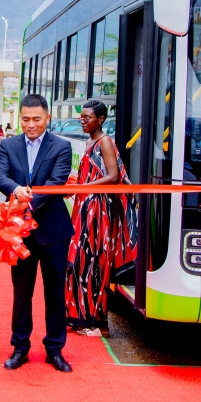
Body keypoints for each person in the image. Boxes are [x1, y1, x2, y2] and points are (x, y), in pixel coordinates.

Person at [0, 93, 74, 373]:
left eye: (36, 119)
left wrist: (30, 200)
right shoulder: (8, 145)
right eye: (25, 119)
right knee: (22, 292)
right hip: (19, 233)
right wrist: (16, 190)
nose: (30, 124)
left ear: (47, 118)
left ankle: (55, 349)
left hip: (53, 232)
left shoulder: (61, 146)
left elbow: (58, 180)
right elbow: (0, 176)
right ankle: (20, 347)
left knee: (54, 293)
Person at [65, 100, 137, 337]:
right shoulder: (89, 142)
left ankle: (98, 323)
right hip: (85, 207)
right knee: (79, 262)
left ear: (101, 119)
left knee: (95, 263)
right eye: (82, 117)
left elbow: (114, 177)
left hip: (99, 211)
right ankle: (79, 316)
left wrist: (84, 186)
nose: (83, 120)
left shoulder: (104, 141)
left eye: (88, 117)